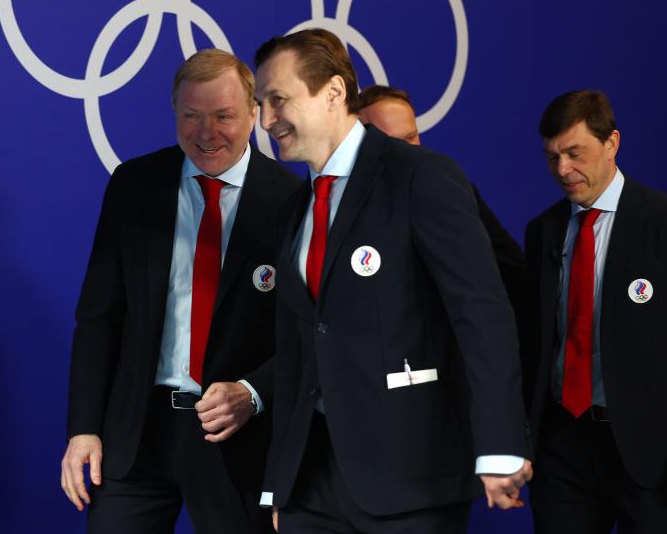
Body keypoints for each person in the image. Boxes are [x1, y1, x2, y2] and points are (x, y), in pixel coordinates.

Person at [253, 29, 531, 533]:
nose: (267, 120)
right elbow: (298, 348)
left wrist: (500, 444)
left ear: (334, 92)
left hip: (411, 476)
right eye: (261, 104)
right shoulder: (293, 211)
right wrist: (279, 480)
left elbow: (482, 314)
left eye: (278, 100)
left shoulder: (421, 176)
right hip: (312, 484)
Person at [60, 48, 301, 534]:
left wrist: (254, 392)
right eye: (191, 116)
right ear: (175, 113)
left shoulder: (292, 202)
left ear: (254, 115)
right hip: (137, 435)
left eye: (223, 116)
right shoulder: (135, 185)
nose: (206, 132)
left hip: (238, 438)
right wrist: (84, 428)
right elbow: (98, 317)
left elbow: (307, 334)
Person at [522, 90, 667, 533]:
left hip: (646, 448)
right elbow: (535, 340)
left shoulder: (660, 222)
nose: (562, 170)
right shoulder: (543, 231)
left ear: (612, 143)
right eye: (552, 157)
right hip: (563, 446)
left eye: (574, 153)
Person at [356, 85, 527, 331]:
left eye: (411, 137)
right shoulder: (343, 205)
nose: (410, 150)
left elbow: (509, 272)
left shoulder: (447, 190)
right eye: (395, 142)